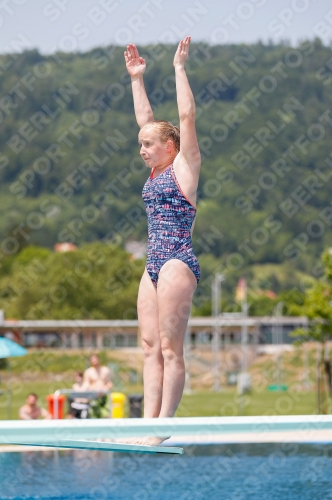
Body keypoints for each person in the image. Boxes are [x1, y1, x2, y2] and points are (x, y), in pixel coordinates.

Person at [124, 36, 201, 445]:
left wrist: (178, 69)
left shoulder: (184, 168)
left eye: (149, 145)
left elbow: (185, 118)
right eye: (140, 145)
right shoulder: (155, 171)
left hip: (176, 261)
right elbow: (146, 121)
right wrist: (137, 78)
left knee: (171, 348)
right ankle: (146, 424)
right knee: (149, 346)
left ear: (169, 148)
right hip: (152, 265)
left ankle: (163, 425)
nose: (142, 149)